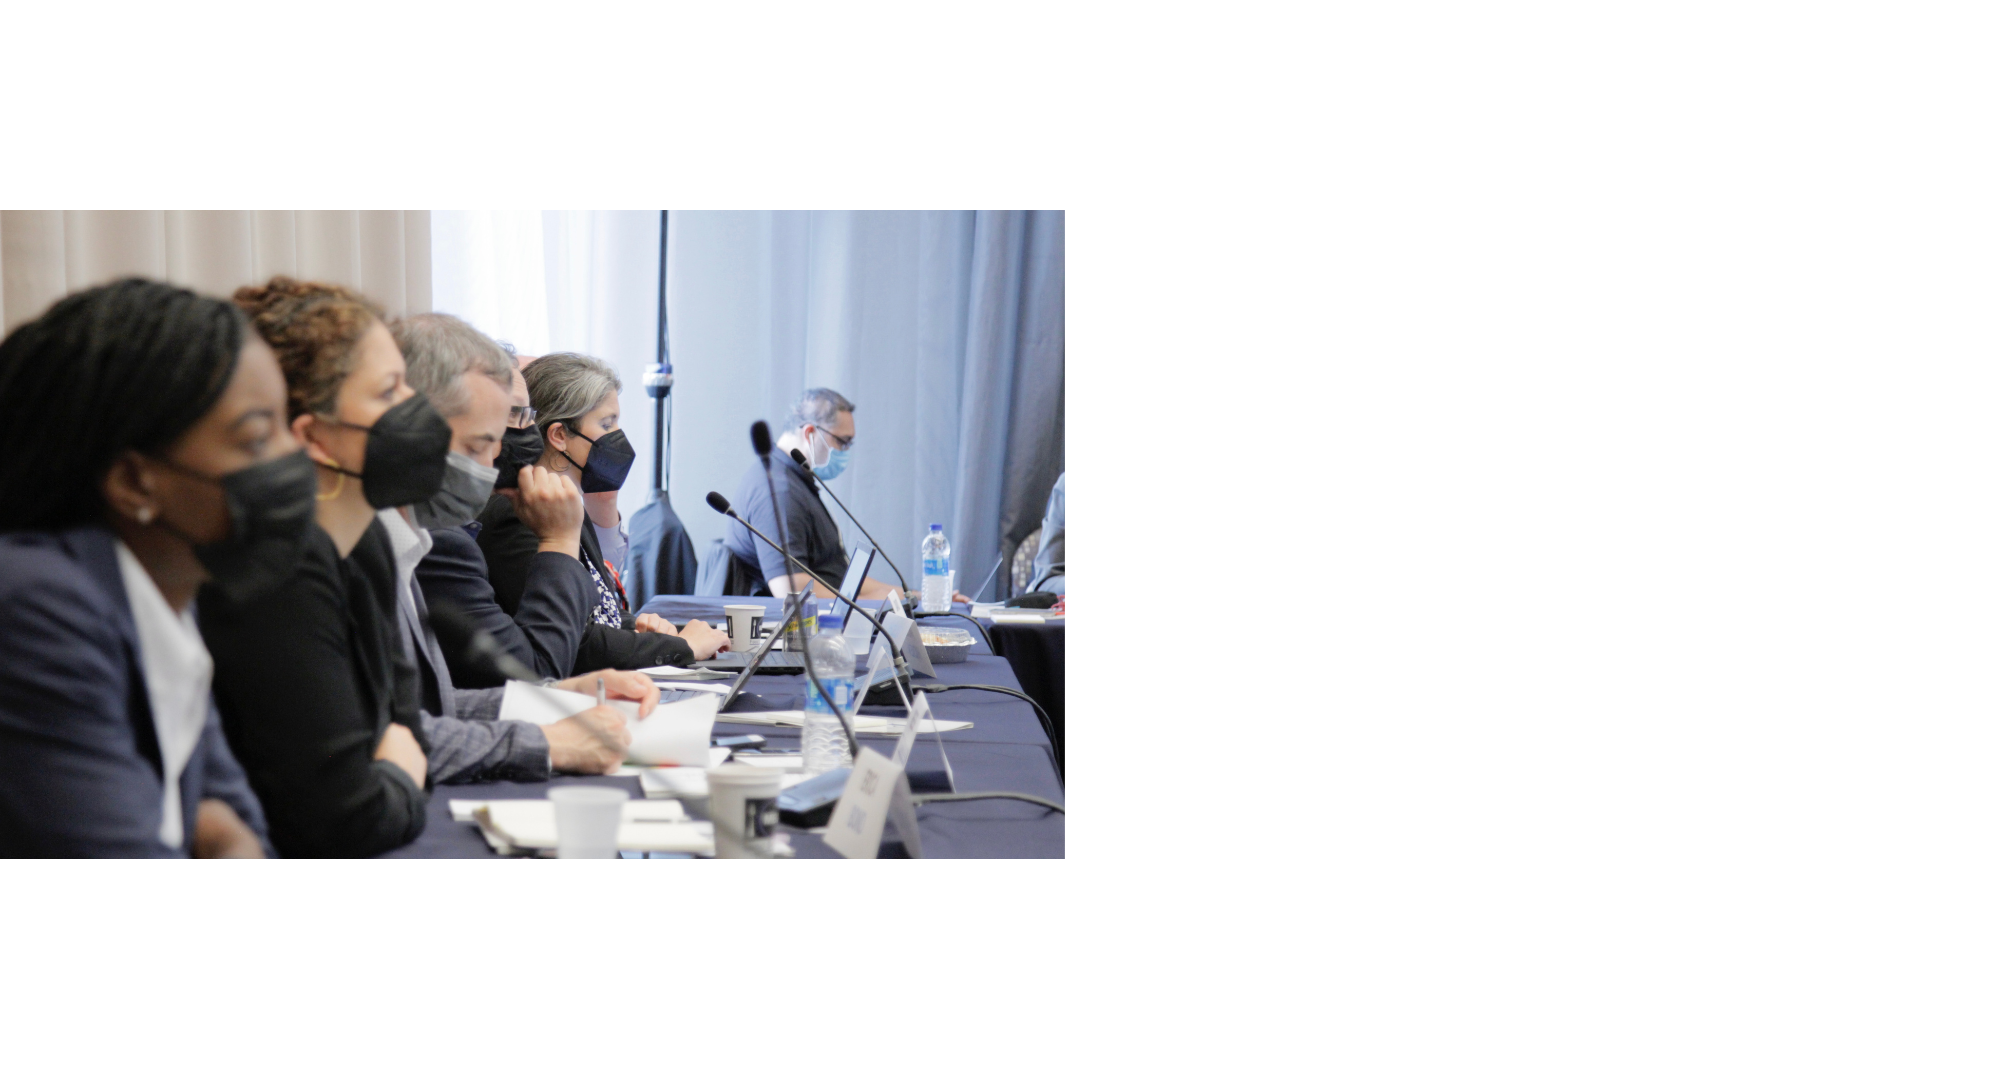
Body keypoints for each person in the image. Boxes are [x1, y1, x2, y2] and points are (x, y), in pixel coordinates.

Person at [0, 279, 279, 860]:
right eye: (257, 438)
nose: (292, 456)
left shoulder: (163, 588)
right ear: (133, 482)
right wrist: (221, 839)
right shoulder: (38, 607)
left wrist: (225, 839)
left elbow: (243, 833)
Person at [196, 278, 443, 858]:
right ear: (312, 436)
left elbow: (409, 738)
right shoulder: (278, 568)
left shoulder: (368, 540)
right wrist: (398, 774)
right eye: (389, 390)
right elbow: (347, 817)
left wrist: (396, 772)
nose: (416, 406)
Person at [385, 313, 656, 779]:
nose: (497, 456)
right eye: (480, 443)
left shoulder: (414, 539)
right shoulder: (437, 542)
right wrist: (544, 736)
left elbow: (428, 709)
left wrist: (559, 698)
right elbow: (533, 666)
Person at [477, 353, 729, 669]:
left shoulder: (567, 502)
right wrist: (682, 646)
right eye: (607, 424)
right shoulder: (517, 512)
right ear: (559, 436)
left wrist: (641, 628)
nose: (617, 435)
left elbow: (597, 610)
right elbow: (574, 642)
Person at [414, 348, 599, 685]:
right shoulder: (440, 542)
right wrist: (559, 541)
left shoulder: (458, 528)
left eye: (528, 415)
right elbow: (533, 675)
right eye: (512, 415)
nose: (525, 433)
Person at [726, 388, 943, 601]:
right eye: (842, 441)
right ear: (810, 433)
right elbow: (791, 590)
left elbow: (843, 578)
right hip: (802, 622)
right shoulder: (780, 492)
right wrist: (873, 603)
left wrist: (917, 597)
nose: (845, 451)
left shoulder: (795, 481)